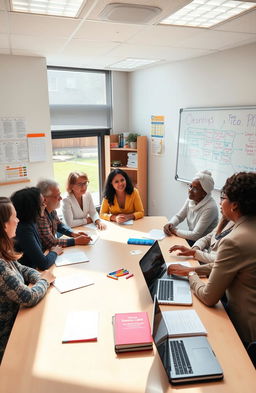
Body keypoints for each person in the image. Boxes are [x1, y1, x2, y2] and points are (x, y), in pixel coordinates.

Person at [168, 172, 256, 346]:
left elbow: (209, 297)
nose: (220, 201)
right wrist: (193, 269)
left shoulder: (235, 240)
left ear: (235, 205)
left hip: (246, 332)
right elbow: (225, 265)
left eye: (223, 197)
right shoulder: (249, 227)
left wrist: (190, 276)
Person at [0, 197, 55, 363]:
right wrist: (44, 281)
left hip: (18, 321)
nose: (17, 220)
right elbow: (28, 297)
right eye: (14, 217)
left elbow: (22, 269)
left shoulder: (3, 250)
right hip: (8, 339)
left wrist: (40, 277)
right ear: (4, 225)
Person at [11, 187, 63, 270]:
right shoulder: (24, 230)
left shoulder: (31, 222)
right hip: (30, 278)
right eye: (42, 203)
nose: (45, 205)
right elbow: (43, 264)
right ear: (32, 208)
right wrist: (55, 252)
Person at [164, 170, 218, 245]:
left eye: (195, 189)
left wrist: (174, 230)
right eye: (190, 186)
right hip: (192, 240)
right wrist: (170, 224)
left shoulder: (211, 208)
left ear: (204, 193)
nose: (190, 190)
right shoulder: (191, 199)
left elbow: (195, 235)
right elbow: (179, 217)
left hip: (202, 245)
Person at [36, 179, 92, 250]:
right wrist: (75, 241)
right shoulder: (40, 216)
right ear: (44, 199)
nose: (61, 198)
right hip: (45, 254)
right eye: (57, 196)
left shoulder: (51, 210)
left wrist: (73, 234)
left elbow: (59, 225)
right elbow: (51, 242)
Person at [169, 216, 234, 265]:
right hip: (204, 259)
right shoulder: (226, 219)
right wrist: (195, 249)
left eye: (223, 198)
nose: (220, 203)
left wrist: (194, 252)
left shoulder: (239, 231)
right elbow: (206, 238)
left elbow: (220, 260)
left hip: (210, 268)